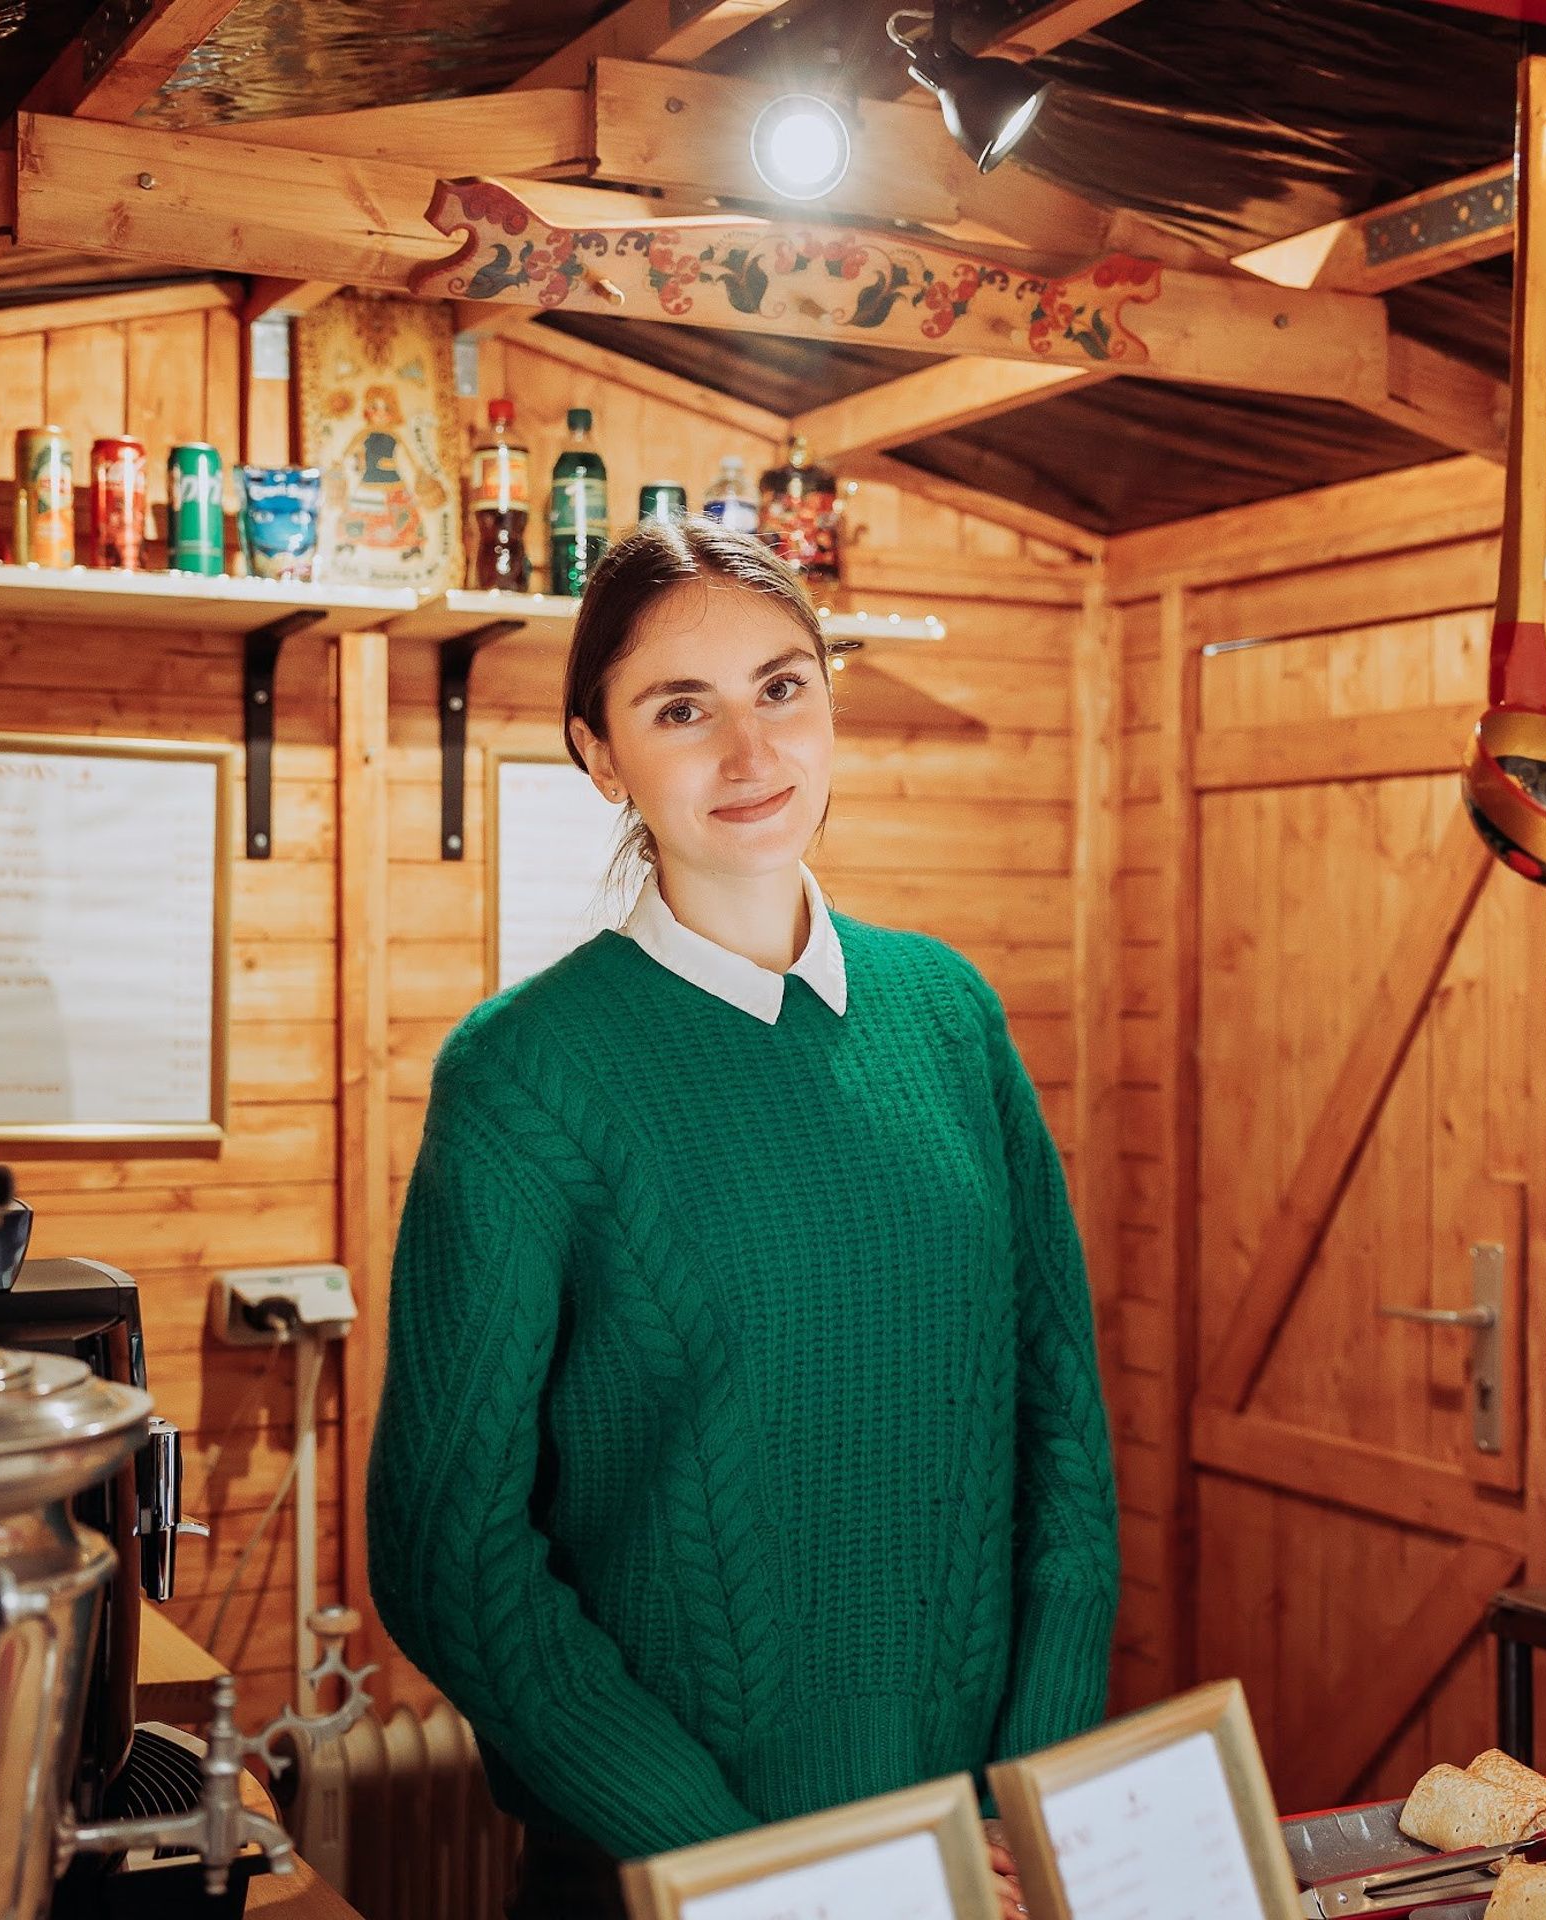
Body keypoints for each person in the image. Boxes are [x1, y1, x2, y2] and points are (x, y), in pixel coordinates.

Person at [367, 520, 1119, 1919]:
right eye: (680, 711)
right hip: (678, 1886)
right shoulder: (526, 1076)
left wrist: (1031, 1796)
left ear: (829, 700)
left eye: (781, 688)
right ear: (601, 756)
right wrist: (737, 1865)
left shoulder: (948, 1017)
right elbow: (447, 1549)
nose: (751, 754)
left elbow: (1063, 1438)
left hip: (982, 1874)